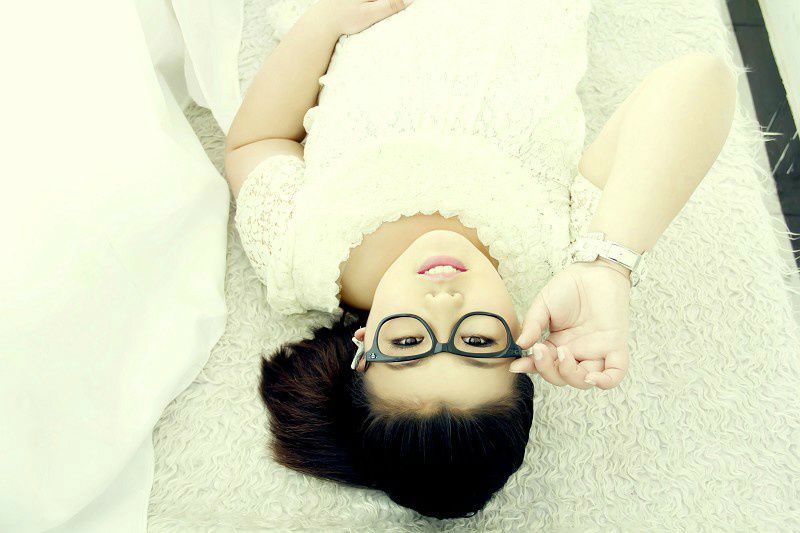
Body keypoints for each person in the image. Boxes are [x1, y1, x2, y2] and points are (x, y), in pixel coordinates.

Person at [223, 0, 736, 519]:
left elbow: (258, 141)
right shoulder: (562, 259)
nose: (443, 302)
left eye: (408, 342)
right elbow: (700, 80)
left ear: (362, 348)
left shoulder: (297, 256)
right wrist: (607, 266)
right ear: (521, 346)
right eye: (477, 341)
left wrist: (327, 20)